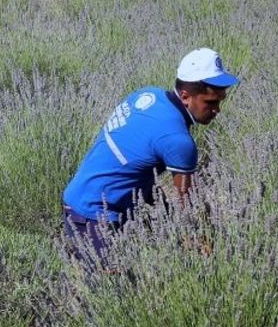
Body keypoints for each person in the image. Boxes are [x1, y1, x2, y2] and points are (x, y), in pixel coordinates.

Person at [61, 47, 239, 264]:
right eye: (210, 102)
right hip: (93, 214)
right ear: (185, 96)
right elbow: (189, 206)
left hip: (79, 198)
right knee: (113, 282)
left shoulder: (148, 95)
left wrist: (165, 218)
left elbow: (139, 164)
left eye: (220, 101)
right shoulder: (178, 141)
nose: (217, 109)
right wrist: (205, 244)